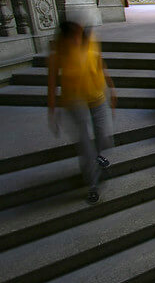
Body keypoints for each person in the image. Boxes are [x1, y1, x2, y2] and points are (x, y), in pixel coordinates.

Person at [48, 21, 117, 204]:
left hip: (97, 95)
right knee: (85, 147)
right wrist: (52, 111)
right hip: (74, 100)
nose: (78, 38)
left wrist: (111, 88)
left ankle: (98, 156)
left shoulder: (91, 40)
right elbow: (52, 83)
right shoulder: (59, 53)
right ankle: (93, 186)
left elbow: (100, 63)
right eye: (74, 36)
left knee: (103, 135)